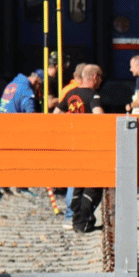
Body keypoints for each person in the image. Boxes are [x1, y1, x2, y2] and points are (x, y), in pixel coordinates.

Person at [53, 65, 107, 232]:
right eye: (100, 77)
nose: (101, 81)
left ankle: (75, 219)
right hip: (90, 146)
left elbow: (55, 115)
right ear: (94, 77)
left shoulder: (70, 94)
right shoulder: (93, 95)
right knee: (93, 184)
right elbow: (100, 117)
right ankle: (83, 222)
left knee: (76, 183)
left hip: (73, 144)